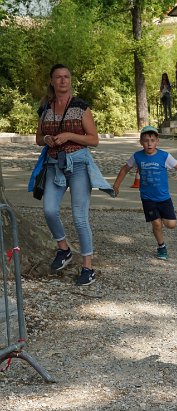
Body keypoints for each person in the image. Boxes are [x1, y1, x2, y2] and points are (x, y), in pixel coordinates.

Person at [34, 63, 114, 286]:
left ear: (70, 80)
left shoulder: (80, 107)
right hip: (54, 165)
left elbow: (94, 140)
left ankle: (88, 267)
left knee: (79, 217)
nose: (63, 80)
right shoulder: (45, 108)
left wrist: (69, 135)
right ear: (52, 81)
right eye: (58, 77)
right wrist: (47, 139)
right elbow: (38, 139)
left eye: (66, 77)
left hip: (78, 165)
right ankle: (64, 249)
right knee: (49, 210)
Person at [112, 126, 177, 261]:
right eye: (146, 141)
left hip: (164, 197)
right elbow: (125, 169)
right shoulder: (137, 156)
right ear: (141, 142)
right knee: (156, 223)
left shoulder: (164, 156)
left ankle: (160, 220)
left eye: (152, 140)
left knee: (171, 224)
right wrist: (116, 186)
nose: (149, 144)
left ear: (157, 141)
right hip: (147, 198)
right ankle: (161, 246)